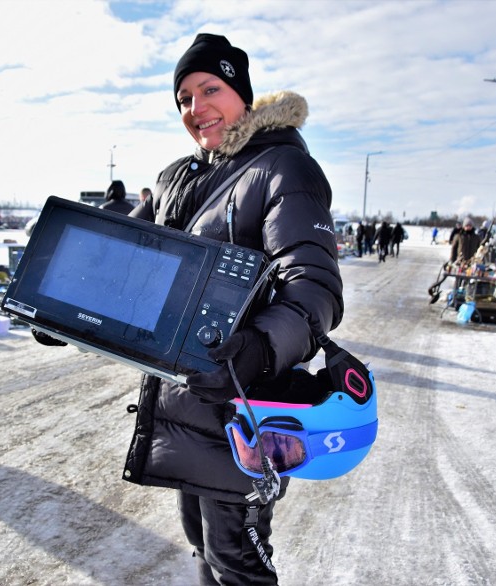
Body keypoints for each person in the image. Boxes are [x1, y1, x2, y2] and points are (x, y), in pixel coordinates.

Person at [125, 33, 343, 584]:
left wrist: (258, 349)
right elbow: (137, 268)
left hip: (247, 408)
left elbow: (313, 290)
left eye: (209, 89)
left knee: (238, 561)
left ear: (241, 94)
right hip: (188, 402)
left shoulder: (282, 170)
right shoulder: (187, 178)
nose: (195, 109)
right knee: (202, 545)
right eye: (183, 99)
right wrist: (65, 308)